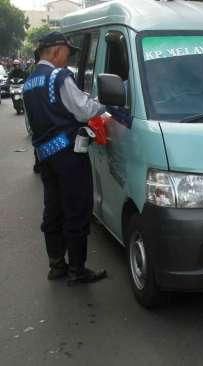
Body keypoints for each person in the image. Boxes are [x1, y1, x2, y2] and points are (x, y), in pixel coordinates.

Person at [23, 32, 107, 284]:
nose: (68, 57)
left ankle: (57, 265)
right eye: (68, 52)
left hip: (45, 157)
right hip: (68, 156)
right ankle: (77, 271)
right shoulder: (58, 77)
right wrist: (104, 103)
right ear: (56, 50)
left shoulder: (29, 83)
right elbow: (84, 110)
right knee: (77, 211)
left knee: (53, 210)